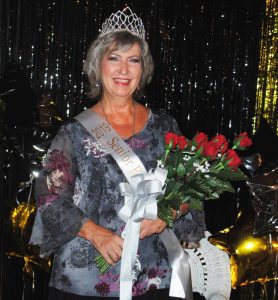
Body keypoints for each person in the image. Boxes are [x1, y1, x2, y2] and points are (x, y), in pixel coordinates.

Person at [30, 7, 206, 300]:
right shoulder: (73, 132)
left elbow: (190, 187)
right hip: (85, 278)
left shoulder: (166, 127)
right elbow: (49, 198)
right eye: (114, 58)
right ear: (98, 65)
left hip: (154, 276)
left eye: (133, 60)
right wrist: (95, 232)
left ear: (143, 69)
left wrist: (169, 213)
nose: (124, 70)